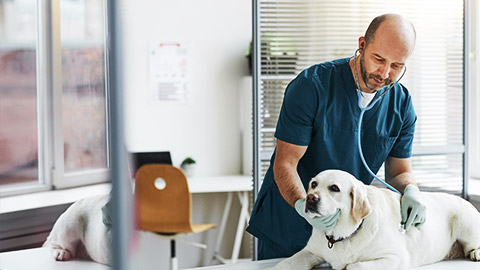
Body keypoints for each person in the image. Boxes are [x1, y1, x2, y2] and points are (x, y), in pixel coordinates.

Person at [246, 13, 427, 260]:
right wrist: (303, 205)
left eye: (397, 65)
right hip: (290, 226)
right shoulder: (312, 86)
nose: (385, 73)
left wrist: (411, 191)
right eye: (378, 59)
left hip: (344, 235)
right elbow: (285, 163)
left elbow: (398, 172)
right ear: (362, 45)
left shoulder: (402, 105)